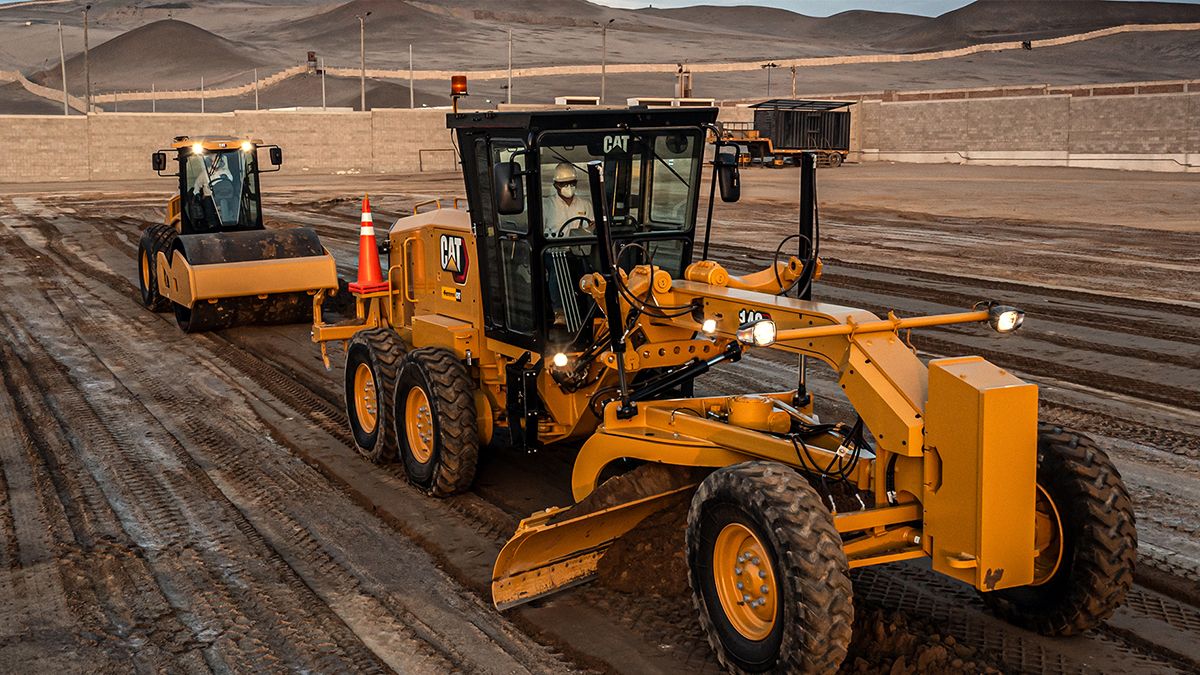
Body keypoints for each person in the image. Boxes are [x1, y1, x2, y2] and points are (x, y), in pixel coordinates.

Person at [543, 162, 593, 238]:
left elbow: (592, 228)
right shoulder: (546, 206)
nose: (569, 187)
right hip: (554, 248)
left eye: (572, 183)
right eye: (564, 184)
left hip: (579, 248)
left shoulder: (585, 205)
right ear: (555, 185)